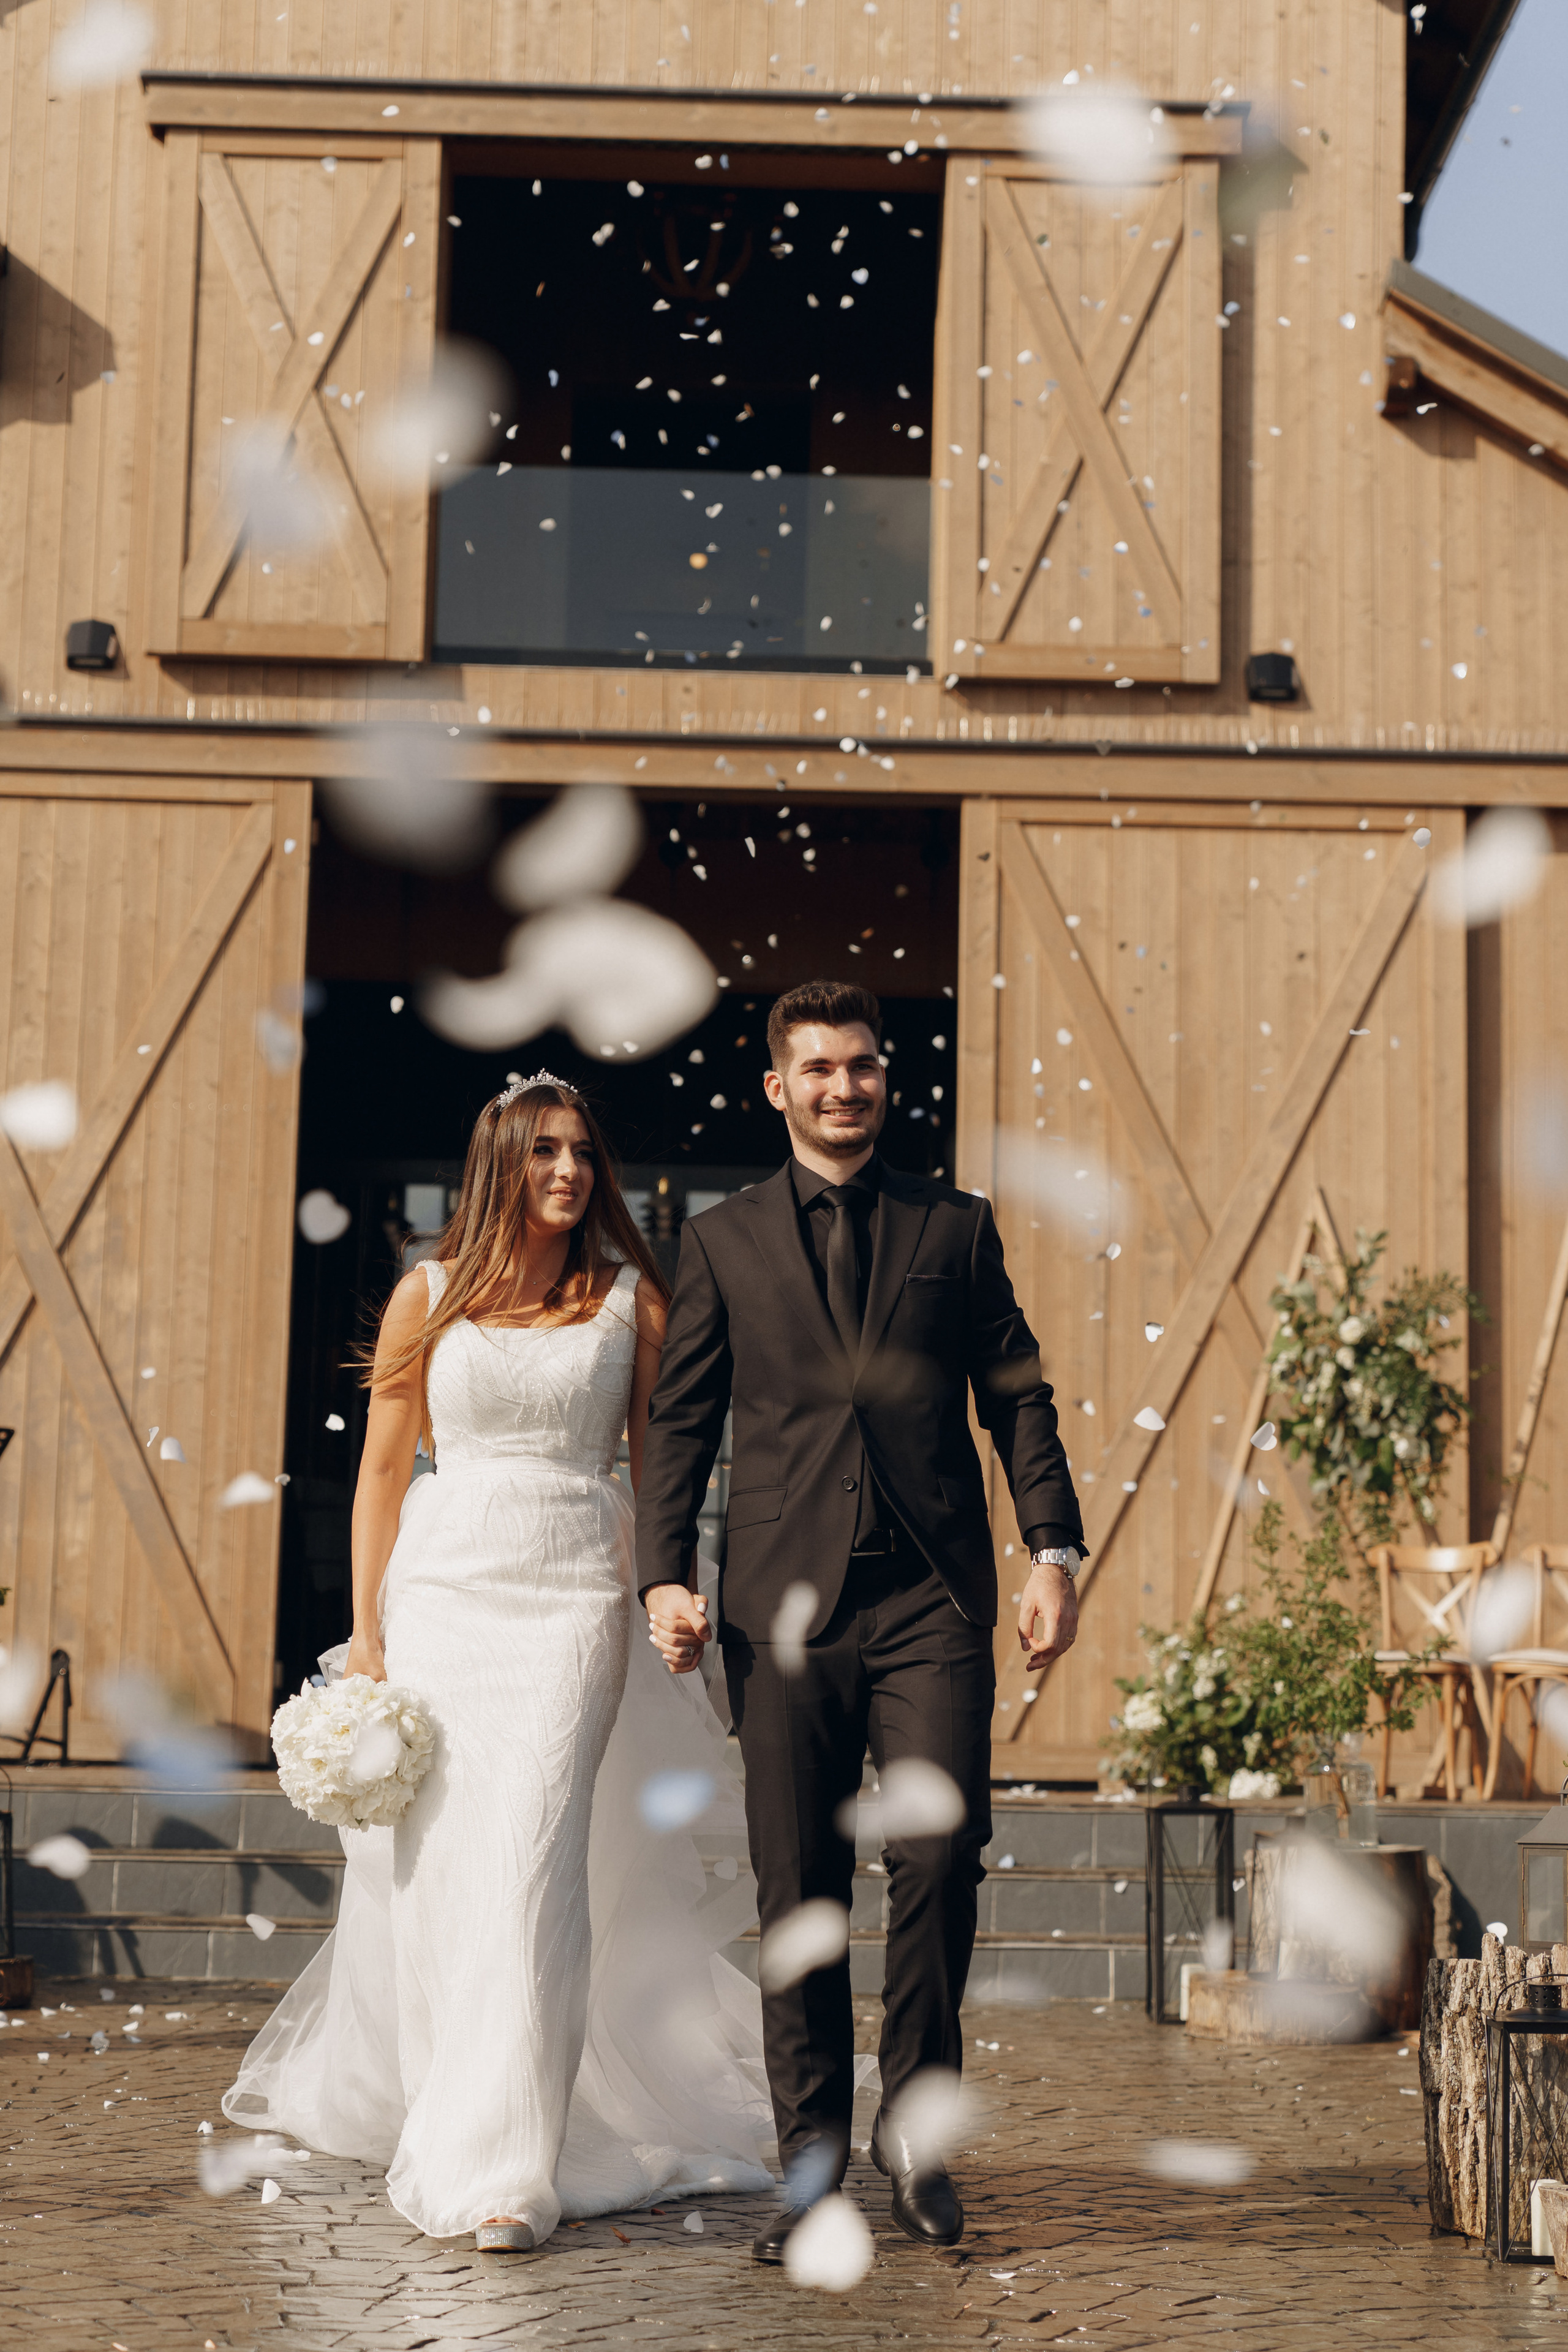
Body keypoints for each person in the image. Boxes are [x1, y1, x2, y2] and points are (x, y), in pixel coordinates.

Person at [224, 1074, 773, 2249]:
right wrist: (367, 1633)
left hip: (575, 1593)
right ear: (500, 1167)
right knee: (448, 1872)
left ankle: (510, 2169)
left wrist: (672, 1589)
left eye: (581, 1152)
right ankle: (449, 2106)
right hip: (445, 1596)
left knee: (534, 1856)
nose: (569, 1171)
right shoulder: (428, 1294)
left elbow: (668, 1466)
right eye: (543, 1153)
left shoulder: (632, 1298)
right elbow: (381, 1474)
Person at [636, 980, 1084, 2260]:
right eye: (818, 1069)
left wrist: (1050, 1547)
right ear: (776, 1088)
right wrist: (665, 1571)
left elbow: (1017, 1396)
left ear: (887, 1079)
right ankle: (811, 2169)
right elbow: (683, 1423)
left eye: (863, 1065)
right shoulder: (722, 1242)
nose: (845, 1086)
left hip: (928, 1601)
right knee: (800, 1895)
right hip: (780, 1612)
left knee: (940, 1862)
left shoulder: (955, 1225)